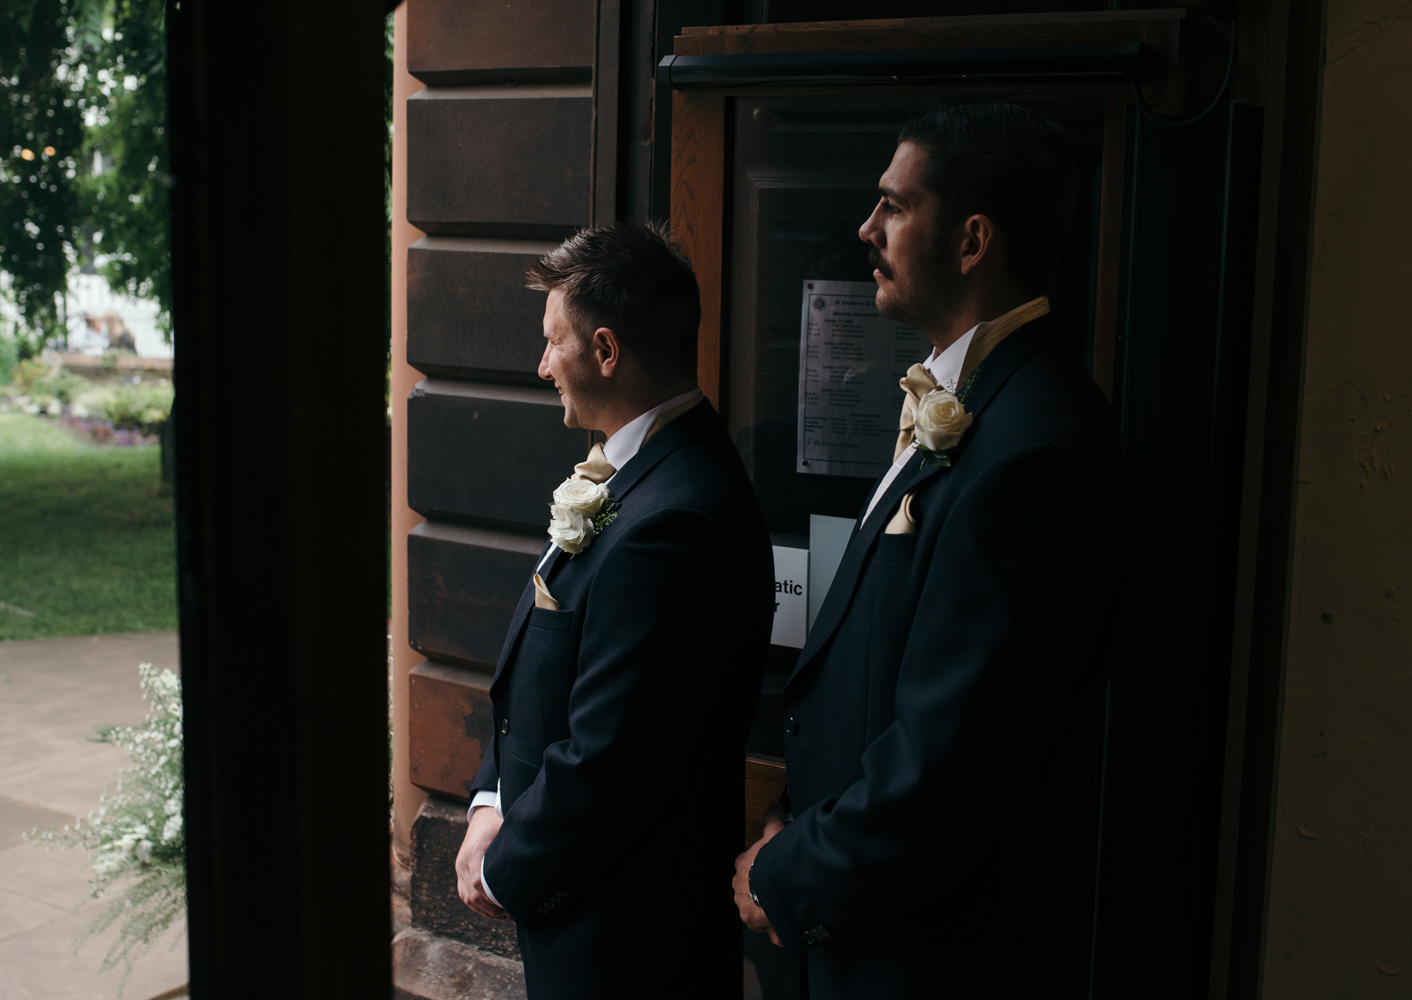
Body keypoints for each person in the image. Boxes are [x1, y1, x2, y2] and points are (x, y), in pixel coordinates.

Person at [732, 103, 1129, 998]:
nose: (866, 229)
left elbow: (954, 765)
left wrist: (786, 872)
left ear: (973, 238)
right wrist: (793, 817)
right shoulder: (971, 399)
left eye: (894, 207)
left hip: (927, 956)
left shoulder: (1037, 451)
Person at [454, 221, 775, 999]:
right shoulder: (635, 477)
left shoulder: (679, 517)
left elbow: (613, 758)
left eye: (551, 342)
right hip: (586, 911)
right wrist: (491, 798)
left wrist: (503, 870)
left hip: (628, 942)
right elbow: (539, 664)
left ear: (605, 351)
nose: (540, 366)